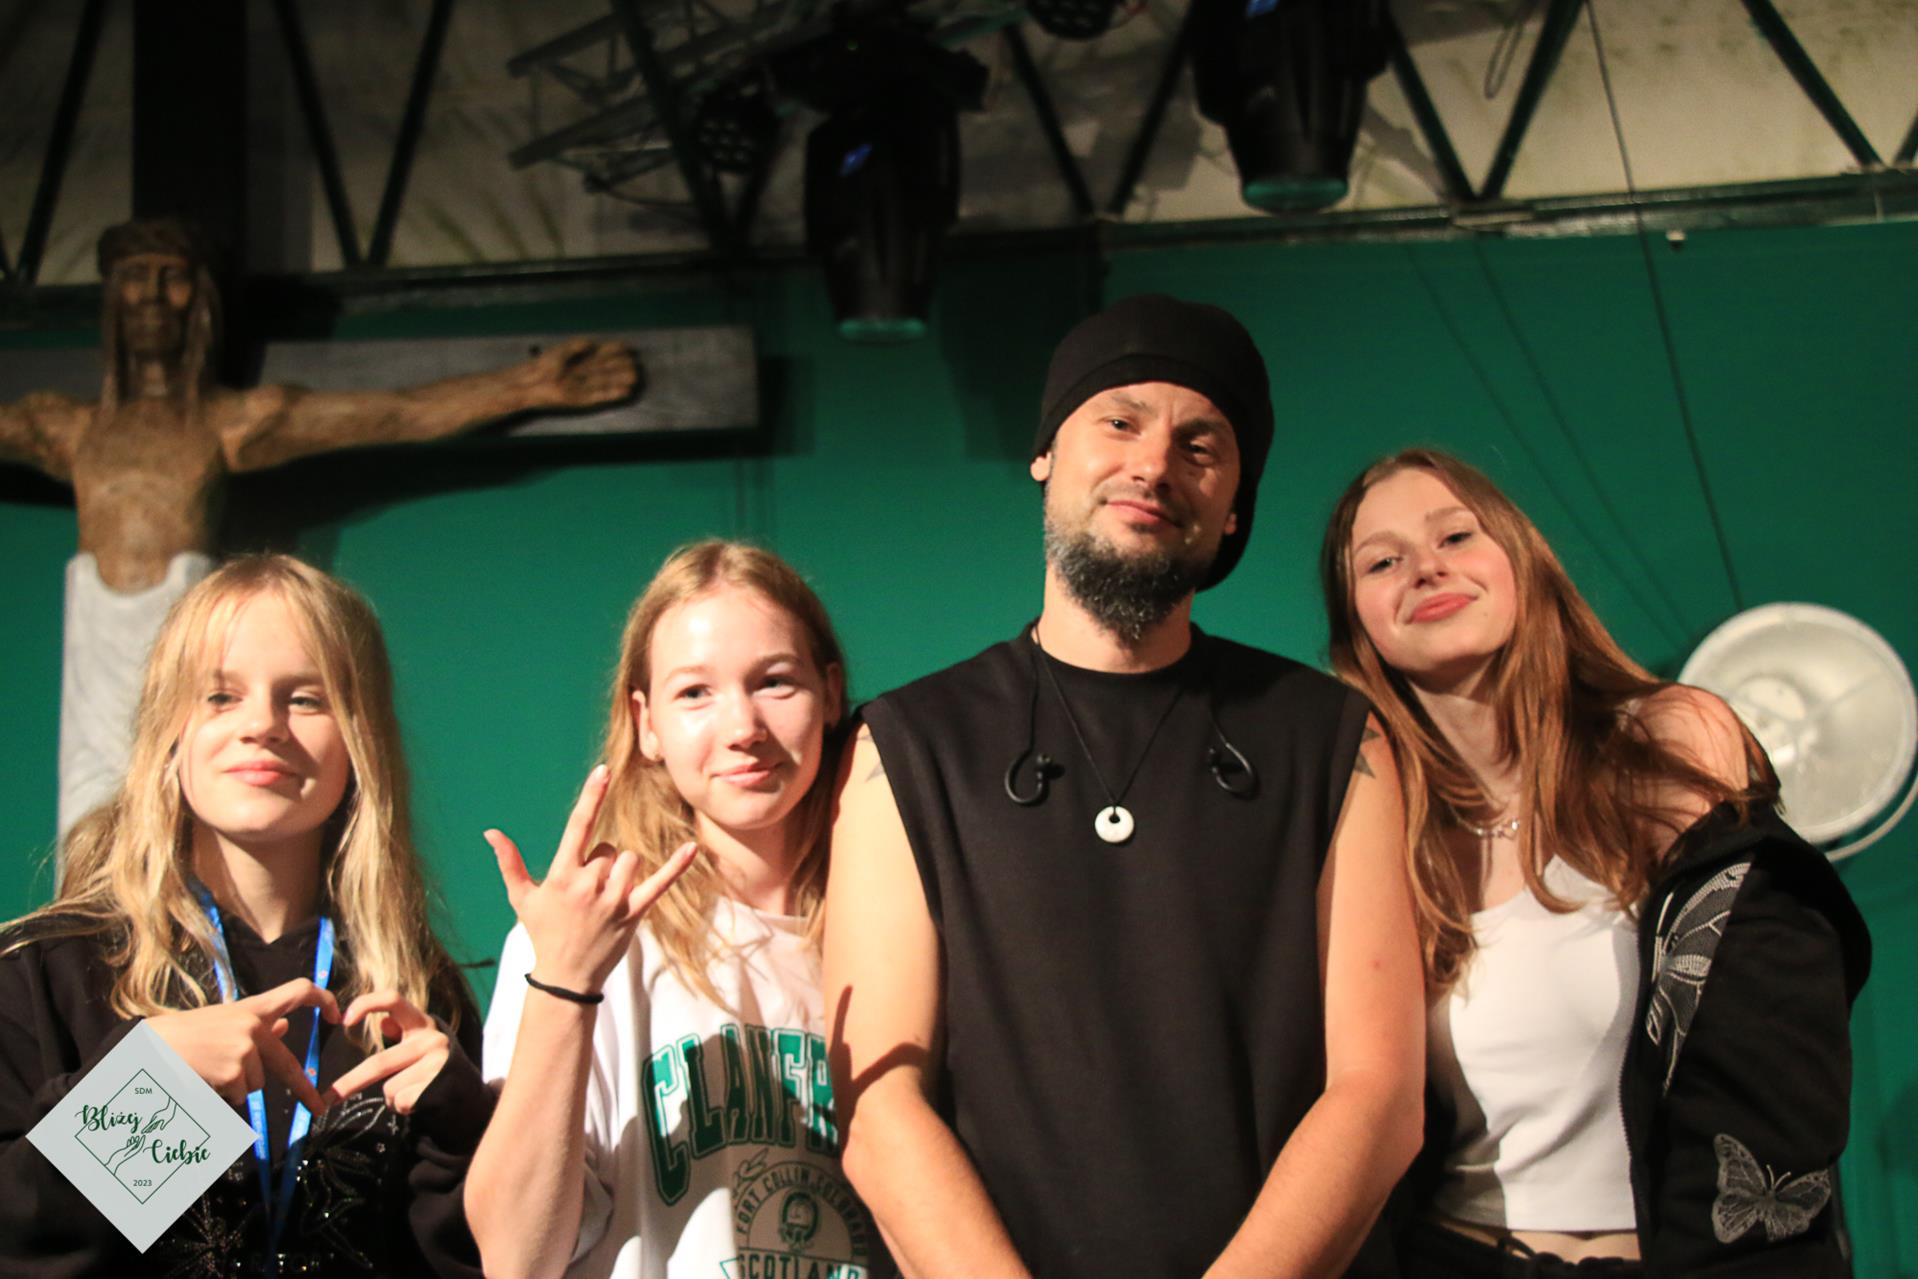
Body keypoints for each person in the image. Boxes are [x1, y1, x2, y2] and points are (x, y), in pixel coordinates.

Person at [824, 294, 1426, 1276]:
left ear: (1235, 506)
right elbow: (879, 1101)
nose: (1153, 464)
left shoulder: (1333, 738)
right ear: (1045, 453)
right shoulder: (904, 743)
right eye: (1119, 420)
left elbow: (1379, 1095)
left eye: (1200, 444)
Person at [1320, 448, 1872, 1277]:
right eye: (1382, 561)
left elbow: (1773, 1051)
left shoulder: (1668, 739)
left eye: (1456, 535)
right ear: (1358, 621)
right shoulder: (1383, 833)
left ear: (1521, 558)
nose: (1426, 567)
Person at [0, 219, 638, 836]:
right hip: (96, 632)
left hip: (186, 630)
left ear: (203, 300)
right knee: (91, 811)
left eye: (173, 278)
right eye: (136, 277)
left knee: (184, 807)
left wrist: (526, 385)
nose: (153, 296)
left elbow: (396, 414)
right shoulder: (62, 428)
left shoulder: (234, 423)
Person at [0, 554, 494, 1276]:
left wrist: (462, 1133)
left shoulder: (419, 998)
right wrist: (150, 1096)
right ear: (170, 729)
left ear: (362, 739)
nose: (262, 724)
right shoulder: (43, 974)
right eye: (221, 696)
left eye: (306, 699)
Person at [468, 541, 881, 1279]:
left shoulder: (895, 931)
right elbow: (516, 1258)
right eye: (695, 693)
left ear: (830, 693)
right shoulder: (591, 938)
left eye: (775, 682)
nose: (743, 727)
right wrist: (564, 980)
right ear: (646, 722)